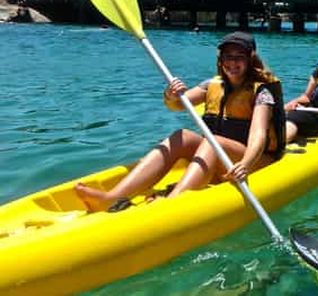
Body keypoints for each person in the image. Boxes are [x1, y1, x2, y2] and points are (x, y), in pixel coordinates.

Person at [75, 31, 286, 212]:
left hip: (255, 161)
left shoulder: (262, 91)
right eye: (227, 56)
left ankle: (172, 202)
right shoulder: (212, 85)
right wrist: (172, 95)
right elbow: (176, 105)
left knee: (215, 142)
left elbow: (258, 134)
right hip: (221, 156)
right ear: (220, 60)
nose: (232, 62)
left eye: (239, 57)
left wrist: (246, 165)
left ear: (250, 59)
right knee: (182, 136)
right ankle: (112, 198)